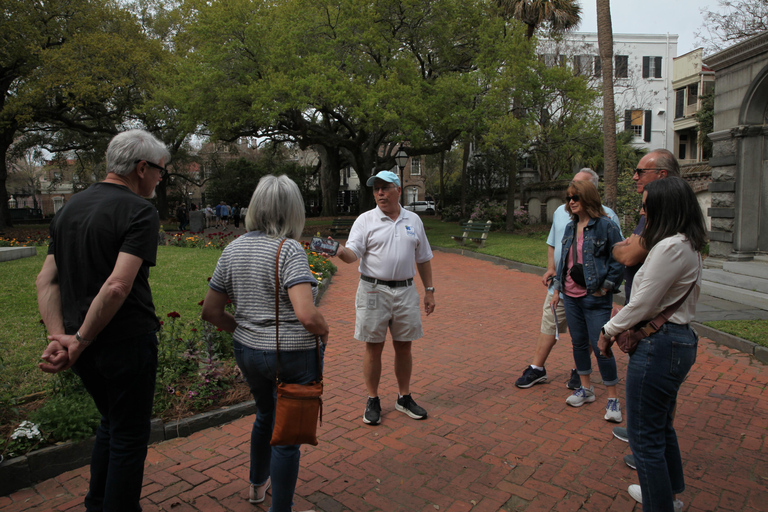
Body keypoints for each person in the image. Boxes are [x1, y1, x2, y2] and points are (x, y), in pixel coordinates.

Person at [36, 129, 169, 512]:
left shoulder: (69, 209)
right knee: (129, 436)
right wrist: (78, 339)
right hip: (125, 342)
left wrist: (61, 337)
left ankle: (98, 503)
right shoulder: (140, 211)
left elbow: (47, 278)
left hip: (85, 346)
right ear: (142, 167)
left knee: (111, 425)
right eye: (160, 172)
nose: (161, 180)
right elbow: (116, 286)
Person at [202, 175, 327, 512]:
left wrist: (243, 329)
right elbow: (306, 314)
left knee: (264, 414)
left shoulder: (233, 248)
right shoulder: (289, 250)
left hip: (248, 351)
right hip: (293, 354)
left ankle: (257, 487)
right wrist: (324, 330)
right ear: (293, 211)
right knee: (287, 436)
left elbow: (211, 311)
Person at [599, 177, 706, 511]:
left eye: (646, 205)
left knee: (644, 438)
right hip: (674, 342)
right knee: (660, 428)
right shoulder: (684, 244)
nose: (643, 211)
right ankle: (666, 495)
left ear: (664, 207)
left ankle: (658, 503)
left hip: (661, 346)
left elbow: (642, 304)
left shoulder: (671, 246)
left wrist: (607, 330)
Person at [329, 170, 435, 426]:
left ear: (398, 190)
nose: (379, 193)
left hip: (406, 290)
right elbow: (353, 254)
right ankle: (373, 398)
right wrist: (340, 251)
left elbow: (423, 258)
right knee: (373, 345)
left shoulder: (414, 221)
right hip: (373, 290)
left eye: (385, 188)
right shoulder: (365, 221)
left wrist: (429, 290)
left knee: (404, 344)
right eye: (376, 188)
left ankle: (404, 396)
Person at [515, 169, 621, 390]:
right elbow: (554, 244)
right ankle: (537, 368)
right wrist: (551, 271)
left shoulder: (608, 218)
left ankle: (582, 374)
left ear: (591, 190)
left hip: (592, 290)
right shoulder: (563, 214)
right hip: (562, 286)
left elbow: (617, 256)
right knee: (551, 323)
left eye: (577, 191)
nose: (572, 197)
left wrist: (606, 287)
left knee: (590, 335)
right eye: (570, 192)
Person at [610, 149, 680, 458]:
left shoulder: (663, 219)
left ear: (661, 176)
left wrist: (614, 325)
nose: (635, 176)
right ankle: (643, 434)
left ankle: (646, 450)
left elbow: (627, 254)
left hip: (656, 321)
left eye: (641, 172)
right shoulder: (655, 216)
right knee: (651, 398)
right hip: (647, 313)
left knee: (653, 394)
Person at [551, 180, 624, 421]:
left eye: (576, 197)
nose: (571, 202)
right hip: (570, 296)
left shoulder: (606, 226)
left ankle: (613, 400)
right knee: (579, 343)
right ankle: (586, 389)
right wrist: (557, 290)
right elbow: (564, 262)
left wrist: (604, 288)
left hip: (594, 298)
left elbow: (620, 260)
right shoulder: (571, 227)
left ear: (588, 199)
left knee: (601, 346)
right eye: (569, 197)